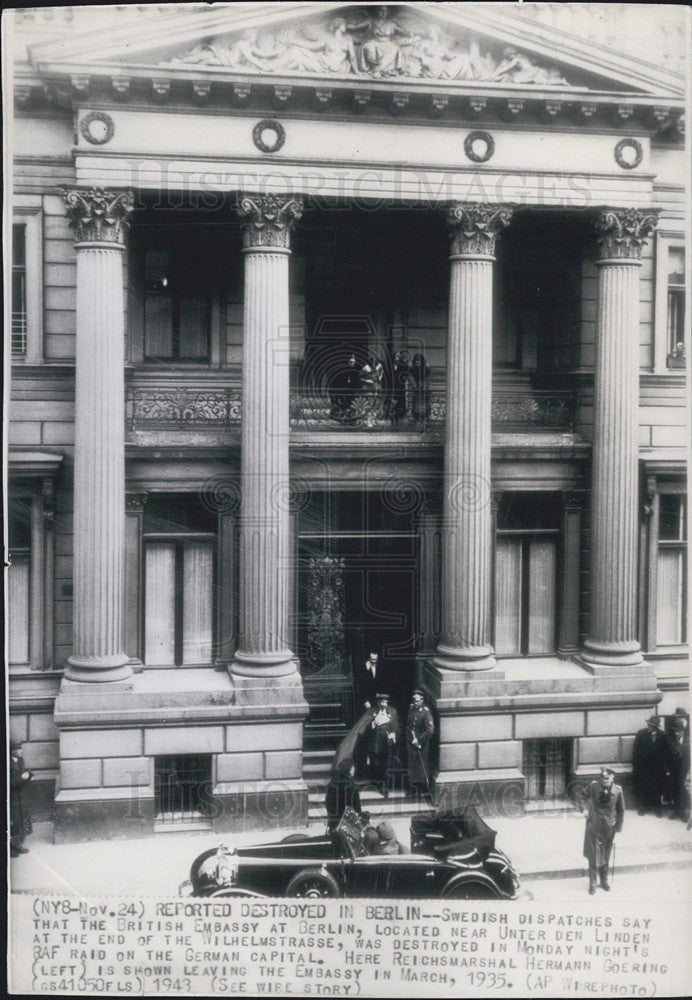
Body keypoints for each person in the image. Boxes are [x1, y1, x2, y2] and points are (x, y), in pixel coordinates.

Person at [579, 767, 625, 895]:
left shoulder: (618, 791)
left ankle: (604, 881)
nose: (604, 780)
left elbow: (621, 810)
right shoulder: (593, 787)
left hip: (609, 827)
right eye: (602, 778)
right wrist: (584, 809)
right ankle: (592, 883)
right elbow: (582, 797)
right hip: (593, 824)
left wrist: (619, 828)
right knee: (593, 855)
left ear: (612, 778)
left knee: (605, 854)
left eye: (607, 778)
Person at [631, 714, 666, 816]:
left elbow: (665, 752)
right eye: (648, 724)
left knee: (657, 788)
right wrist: (635, 767)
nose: (648, 727)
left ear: (655, 727)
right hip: (643, 767)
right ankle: (642, 808)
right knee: (643, 787)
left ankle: (657, 808)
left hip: (658, 768)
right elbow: (635, 752)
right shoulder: (641, 734)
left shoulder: (663, 735)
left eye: (651, 725)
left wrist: (665, 768)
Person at [367, 693, 401, 797]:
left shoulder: (393, 712)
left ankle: (384, 787)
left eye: (385, 704)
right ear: (378, 703)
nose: (383, 706)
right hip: (375, 744)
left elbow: (397, 727)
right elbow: (366, 728)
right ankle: (376, 783)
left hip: (387, 745)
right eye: (381, 704)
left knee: (385, 766)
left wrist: (393, 734)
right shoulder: (372, 712)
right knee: (376, 765)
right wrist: (373, 724)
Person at [406, 689, 434, 796]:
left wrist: (419, 740)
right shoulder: (412, 709)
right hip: (411, 743)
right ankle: (413, 788)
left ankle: (420, 789)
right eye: (414, 700)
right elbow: (409, 725)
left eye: (417, 701)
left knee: (420, 767)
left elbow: (430, 731)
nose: (415, 702)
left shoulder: (426, 712)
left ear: (422, 700)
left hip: (421, 744)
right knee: (412, 766)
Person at [665, 708, 690, 821]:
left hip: (685, 770)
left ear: (683, 732)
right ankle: (676, 811)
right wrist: (667, 769)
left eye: (679, 732)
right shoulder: (670, 741)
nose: (677, 734)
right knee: (675, 789)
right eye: (675, 731)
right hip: (674, 770)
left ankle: (683, 812)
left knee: (683, 790)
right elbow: (666, 756)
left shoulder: (688, 742)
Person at [324, 759, 361, 833]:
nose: (354, 770)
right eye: (353, 768)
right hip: (346, 822)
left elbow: (327, 801)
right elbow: (356, 805)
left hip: (334, 819)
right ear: (349, 770)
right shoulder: (351, 785)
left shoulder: (332, 783)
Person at [10, 740, 33, 857]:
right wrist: (22, 779)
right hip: (12, 799)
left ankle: (18, 846)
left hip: (21, 798)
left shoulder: (20, 760)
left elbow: (22, 775)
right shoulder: (8, 763)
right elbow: (9, 783)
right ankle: (11, 849)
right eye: (19, 749)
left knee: (23, 822)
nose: (21, 751)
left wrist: (28, 776)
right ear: (13, 751)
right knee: (14, 824)